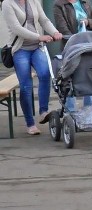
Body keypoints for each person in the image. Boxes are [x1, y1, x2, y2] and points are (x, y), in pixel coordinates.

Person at [2, 0, 63, 135]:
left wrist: (55, 32)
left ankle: (43, 111)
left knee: (45, 73)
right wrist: (39, 36)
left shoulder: (33, 2)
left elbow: (44, 20)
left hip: (37, 47)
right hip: (20, 50)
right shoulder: (7, 3)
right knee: (26, 86)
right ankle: (30, 124)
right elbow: (16, 28)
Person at [52, 0, 92, 110]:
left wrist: (88, 22)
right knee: (69, 76)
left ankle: (89, 109)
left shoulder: (85, 2)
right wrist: (76, 41)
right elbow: (62, 27)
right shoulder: (59, 4)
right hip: (70, 46)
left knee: (89, 75)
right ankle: (70, 110)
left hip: (88, 45)